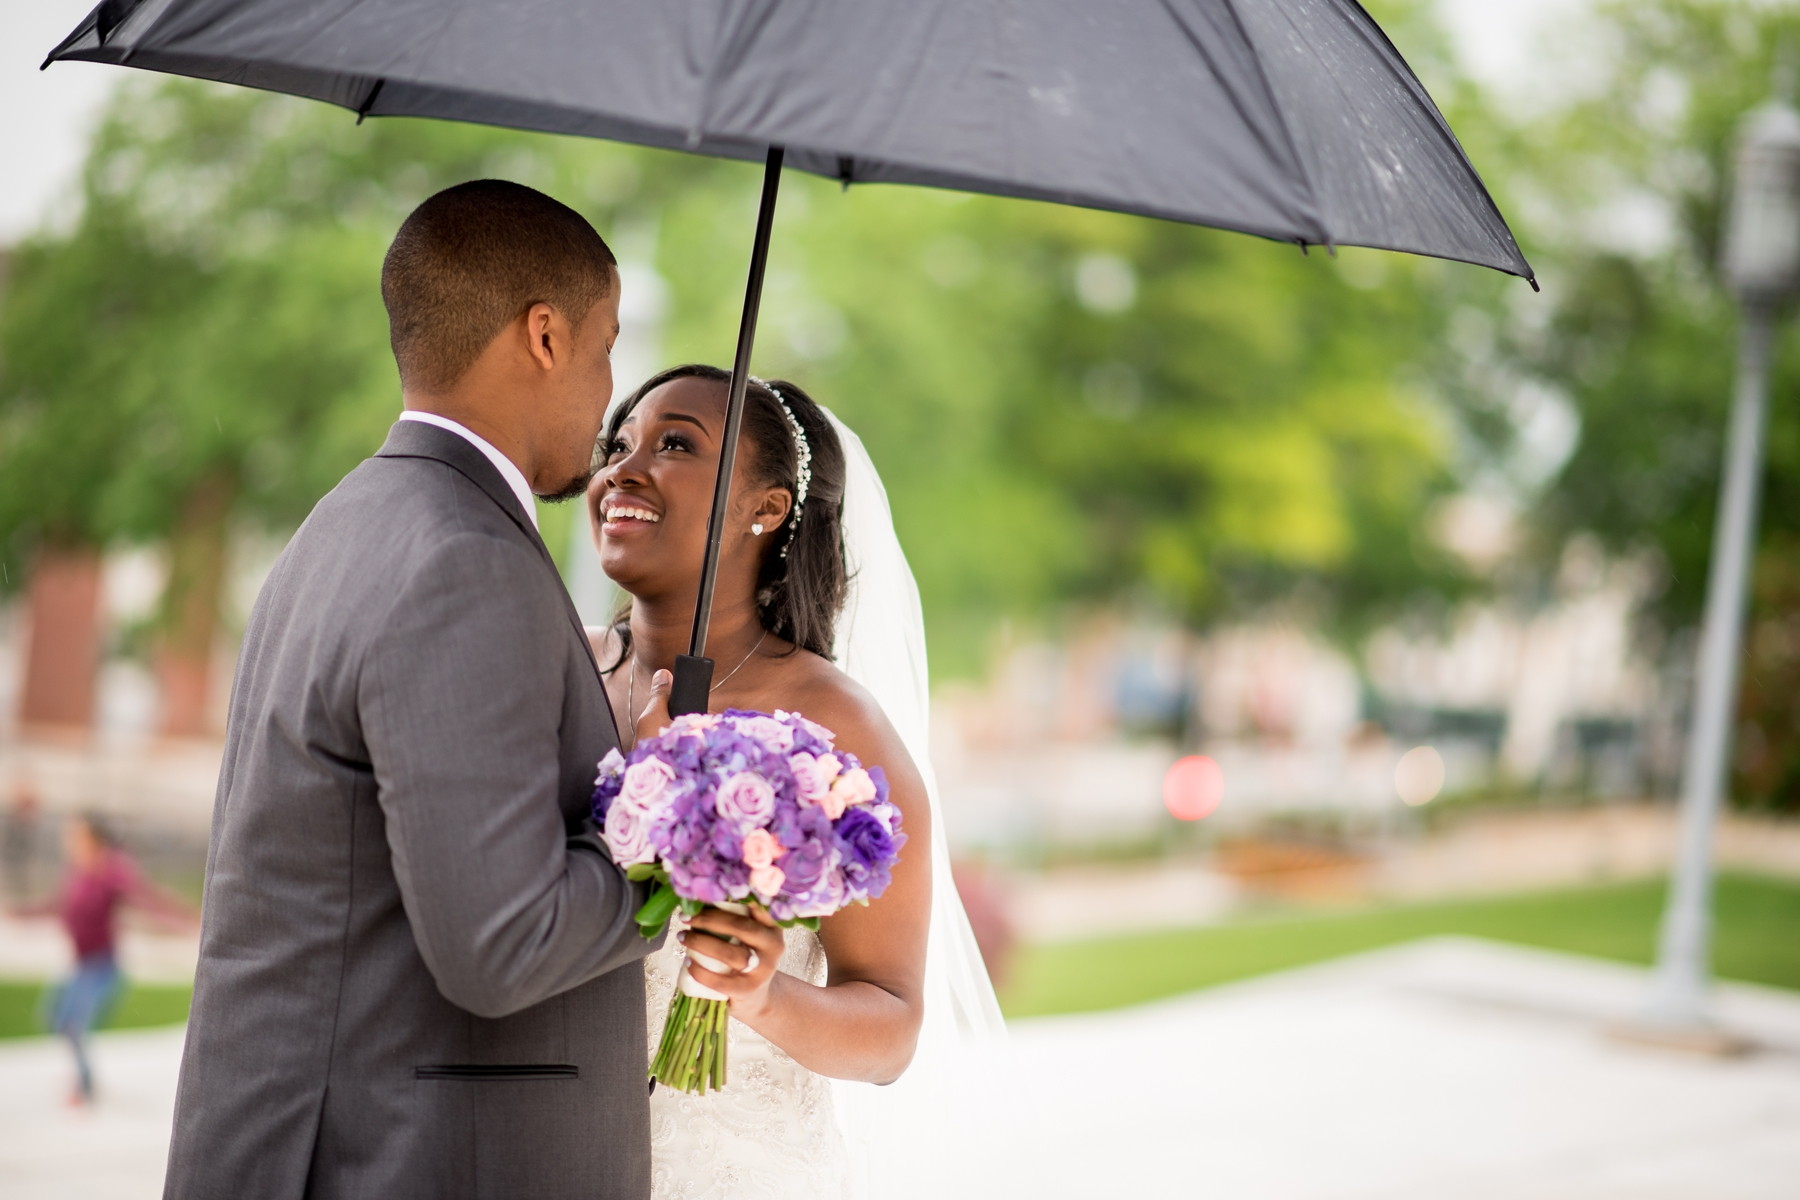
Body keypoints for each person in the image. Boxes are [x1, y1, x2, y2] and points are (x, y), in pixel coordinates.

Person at [163, 181, 666, 1200]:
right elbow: (504, 942)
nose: (609, 393)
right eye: (607, 347)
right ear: (544, 335)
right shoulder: (465, 561)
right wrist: (677, 839)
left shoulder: (341, 523)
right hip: (413, 1162)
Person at [587, 365, 1004, 1198]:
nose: (622, 472)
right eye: (618, 445)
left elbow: (890, 1027)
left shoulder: (834, 725)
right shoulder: (554, 668)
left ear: (767, 508)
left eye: (675, 445)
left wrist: (761, 993)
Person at [11, 812, 195, 1105]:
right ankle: (79, 1072)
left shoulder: (113, 871)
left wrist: (186, 921)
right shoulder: (76, 870)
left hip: (101, 966)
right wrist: (22, 913)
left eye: (75, 835)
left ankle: (84, 1086)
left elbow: (147, 899)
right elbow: (58, 904)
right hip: (79, 965)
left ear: (93, 839)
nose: (68, 841)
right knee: (54, 1017)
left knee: (73, 1025)